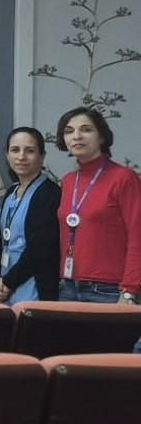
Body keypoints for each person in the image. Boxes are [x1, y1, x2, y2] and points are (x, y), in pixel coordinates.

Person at [54, 106, 141, 305]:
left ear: (101, 137)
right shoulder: (68, 181)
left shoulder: (123, 178)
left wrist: (130, 290)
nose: (77, 136)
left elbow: (138, 235)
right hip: (68, 287)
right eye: (69, 131)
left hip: (109, 290)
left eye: (86, 129)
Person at [0, 127, 59, 305]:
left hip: (32, 284)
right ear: (7, 155)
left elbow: (40, 249)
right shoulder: (11, 191)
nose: (21, 157)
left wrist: (8, 282)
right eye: (15, 150)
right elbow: (1, 240)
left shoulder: (50, 194)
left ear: (42, 156)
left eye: (30, 151)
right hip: (6, 283)